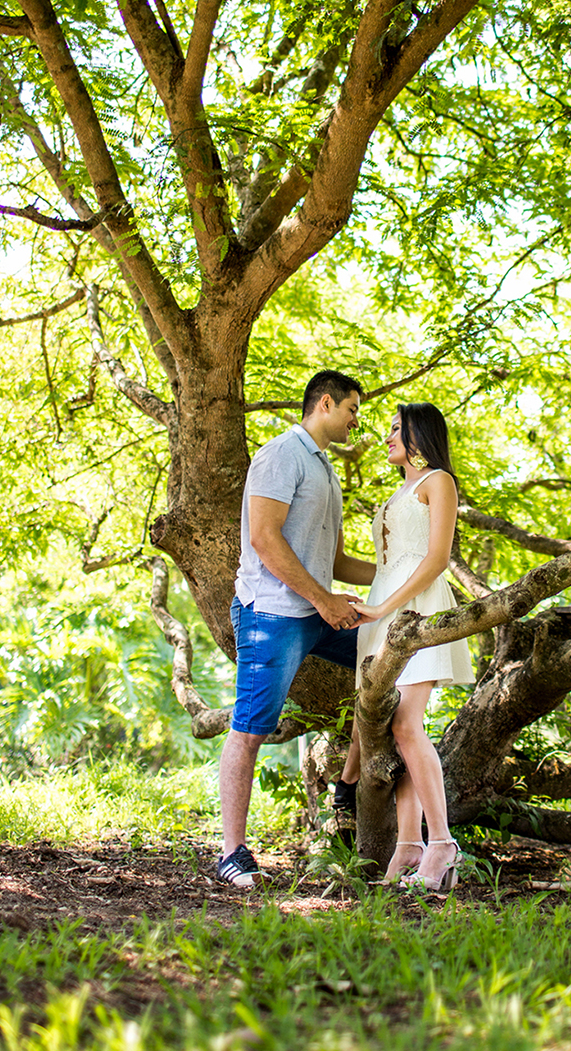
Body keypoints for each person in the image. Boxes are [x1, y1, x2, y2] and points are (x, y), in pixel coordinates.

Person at [217, 369, 375, 887]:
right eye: (352, 409)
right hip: (272, 614)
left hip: (315, 612)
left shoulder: (324, 468)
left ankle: (347, 787)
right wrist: (324, 601)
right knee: (251, 727)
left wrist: (407, 571)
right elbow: (264, 538)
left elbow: (334, 559)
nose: (357, 420)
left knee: (390, 660)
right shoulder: (282, 454)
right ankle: (231, 853)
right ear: (325, 404)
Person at [352, 402, 474, 891]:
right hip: (382, 610)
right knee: (396, 729)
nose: (387, 437)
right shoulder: (398, 490)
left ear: (420, 434)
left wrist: (387, 611)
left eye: (397, 430)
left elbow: (436, 558)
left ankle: (442, 843)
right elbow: (384, 565)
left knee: (406, 725)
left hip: (415, 610)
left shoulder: (437, 481)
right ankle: (407, 847)